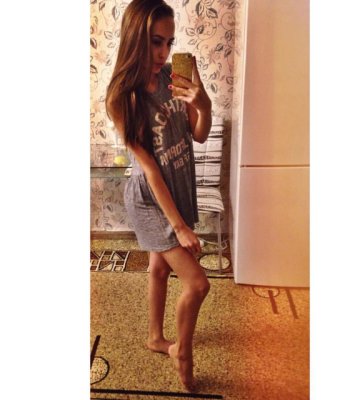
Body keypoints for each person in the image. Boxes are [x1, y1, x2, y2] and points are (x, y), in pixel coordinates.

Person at [105, 0, 212, 391]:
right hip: (150, 199)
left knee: (159, 269)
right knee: (198, 284)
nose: (164, 52)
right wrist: (179, 226)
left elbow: (198, 134)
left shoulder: (173, 77)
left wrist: (203, 103)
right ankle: (183, 353)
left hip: (177, 185)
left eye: (169, 42)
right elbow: (149, 168)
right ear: (135, 38)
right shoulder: (123, 97)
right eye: (155, 42)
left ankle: (155, 338)